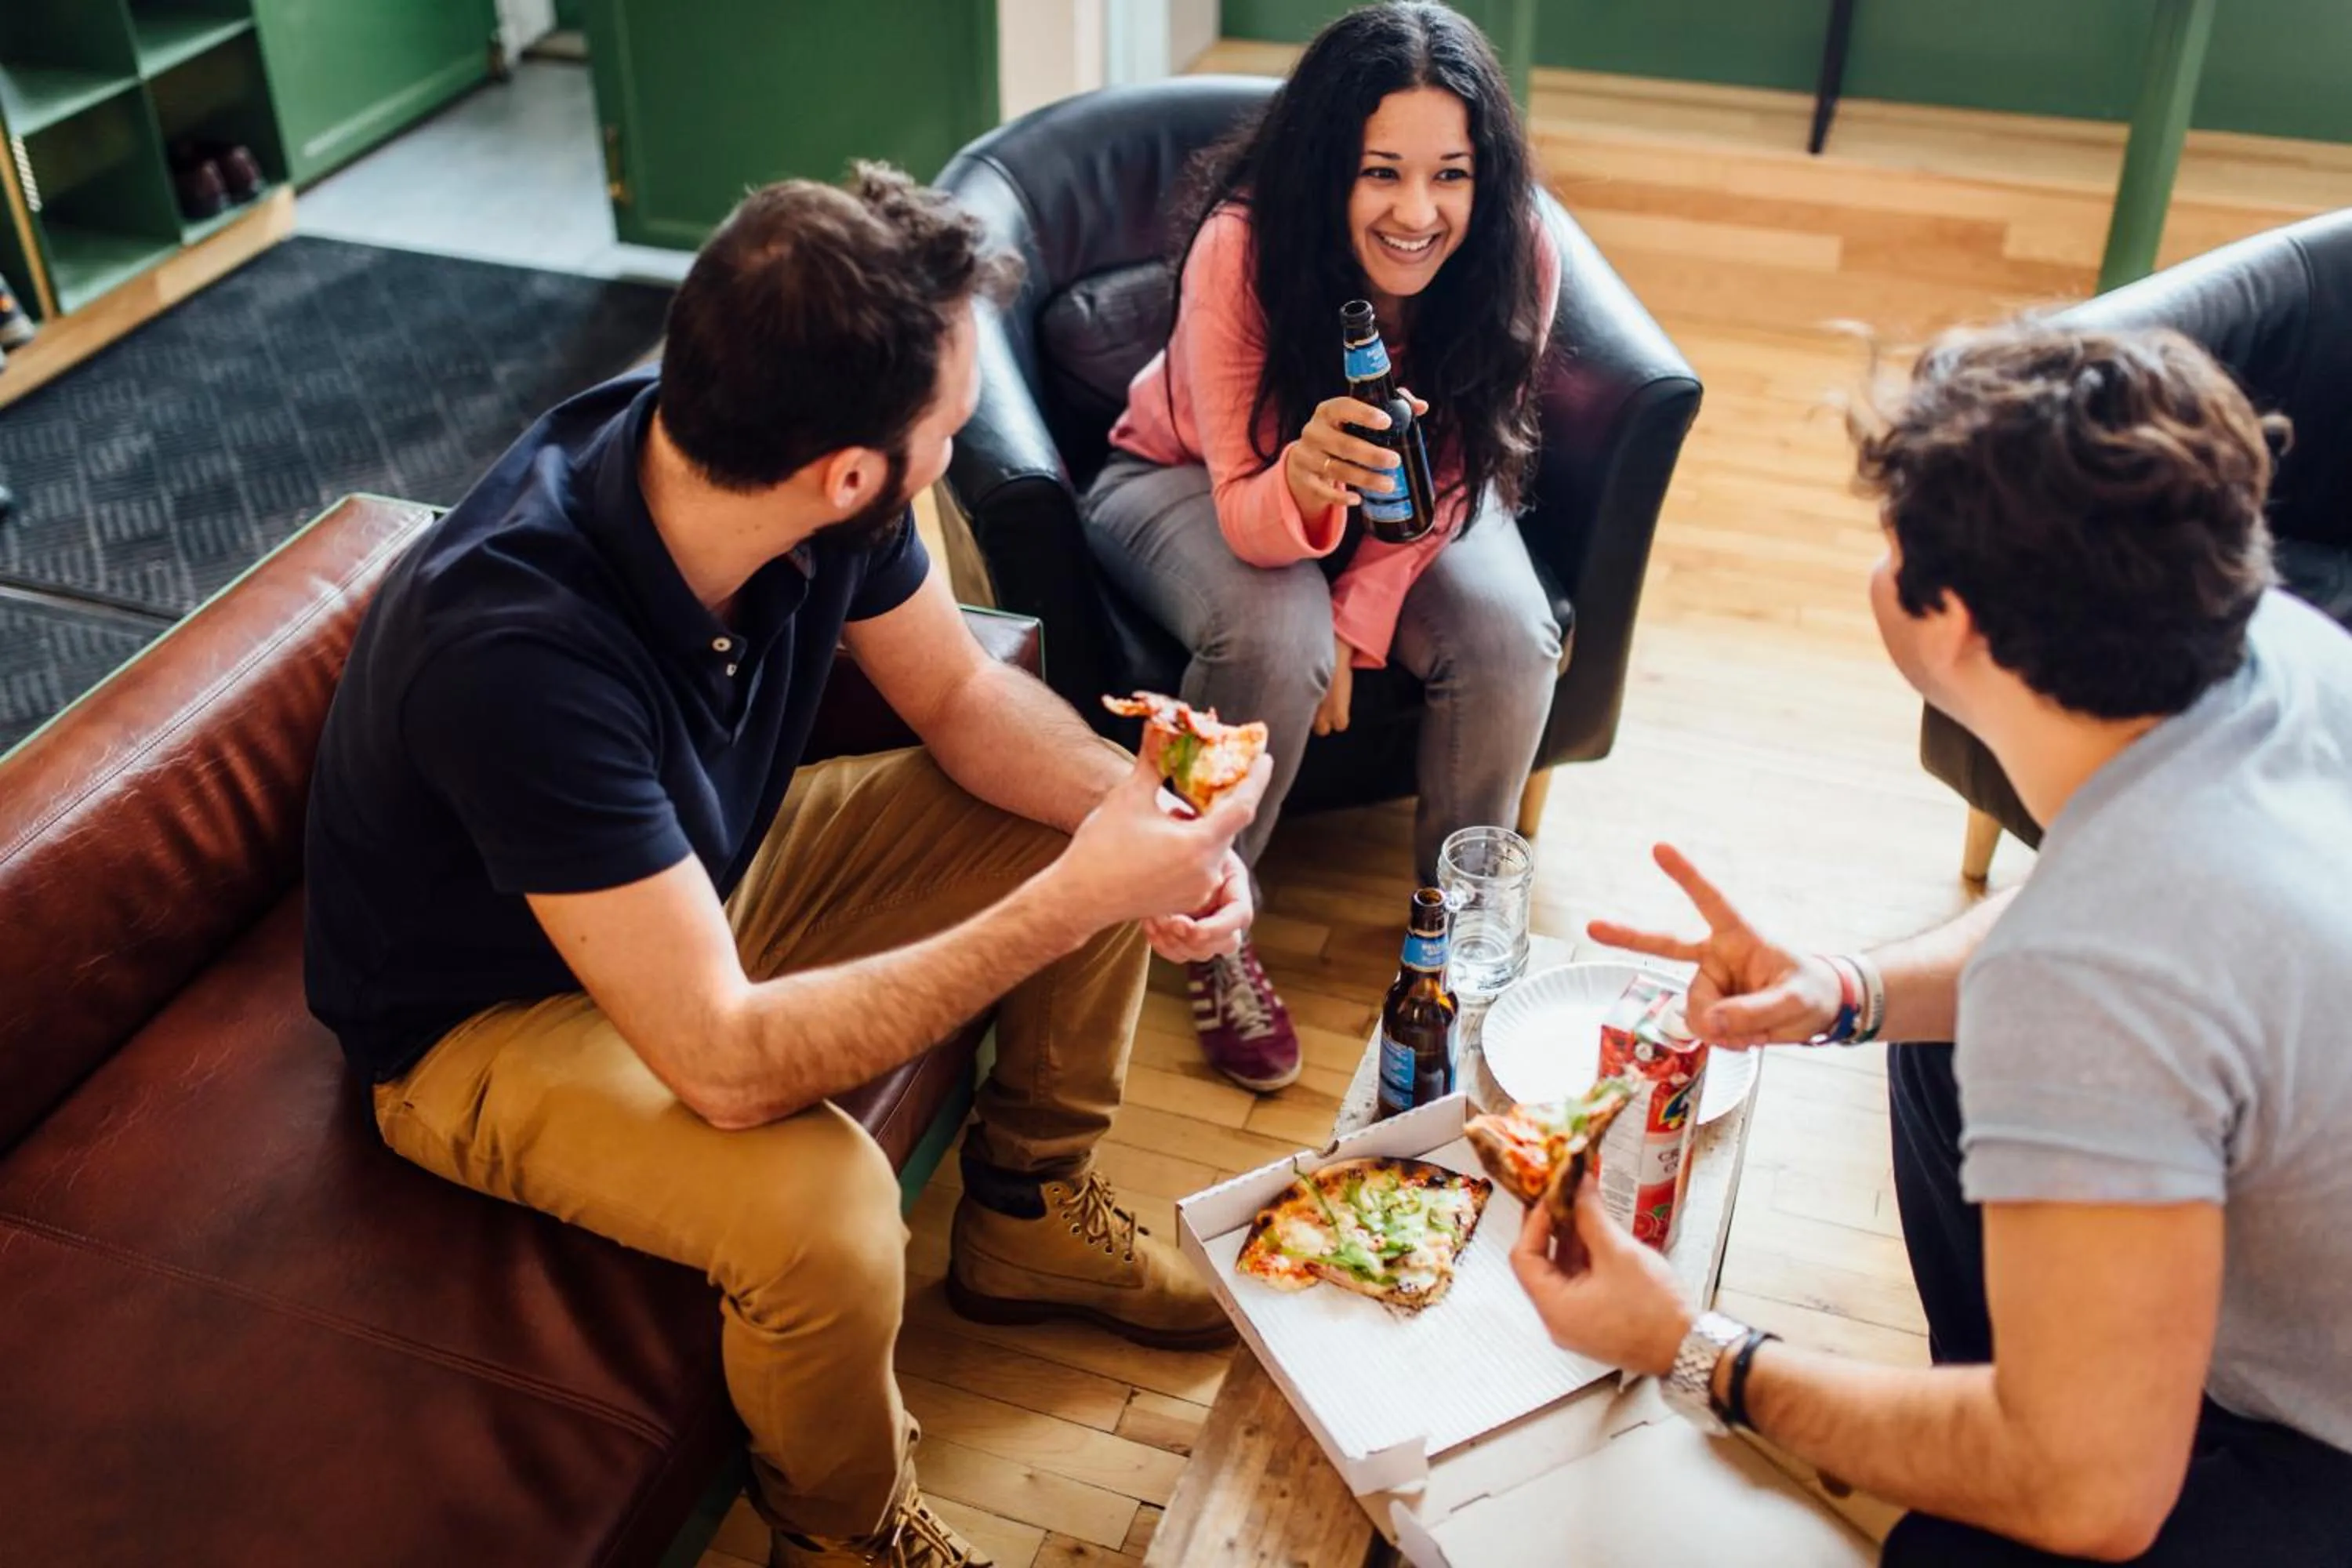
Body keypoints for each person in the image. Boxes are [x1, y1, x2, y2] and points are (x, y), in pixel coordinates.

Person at [303, 166, 1269, 1568]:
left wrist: (1152, 826)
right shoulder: (515, 652)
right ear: (855, 472)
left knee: (1082, 810)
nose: (961, 432)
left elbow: (960, 700)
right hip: (486, 1025)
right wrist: (1084, 892)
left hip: (705, 883)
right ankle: (845, 1536)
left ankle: (1029, 1212)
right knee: (825, 1216)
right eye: (948, 421)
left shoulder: (795, 484)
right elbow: (726, 1063)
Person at [1510, 324, 2352, 1563]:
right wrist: (1844, 990)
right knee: (1928, 1039)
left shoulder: (2090, 976)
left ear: (1950, 620)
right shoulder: (2265, 645)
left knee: (1970, 1541)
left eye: (1888, 540)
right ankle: (2022, 1391)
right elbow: (2115, 916)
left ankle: (2016, 1435)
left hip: (2317, 1460)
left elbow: (2096, 1496)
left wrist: (1695, 1350)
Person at [1083, 1, 1564, 1093]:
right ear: (1324, 167)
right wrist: (1306, 489)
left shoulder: (1516, 247)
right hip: (1187, 477)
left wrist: (1364, 616)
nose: (1417, 211)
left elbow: (1462, 465)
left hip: (1418, 495)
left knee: (1510, 641)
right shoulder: (1242, 249)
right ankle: (1213, 919)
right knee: (1276, 623)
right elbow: (1246, 511)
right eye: (1381, 172)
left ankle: (1451, 942)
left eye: (1450, 174)